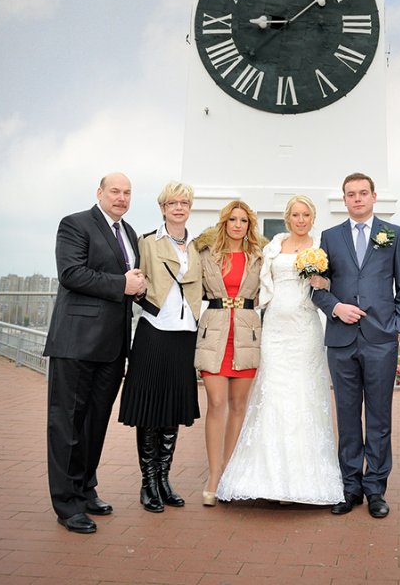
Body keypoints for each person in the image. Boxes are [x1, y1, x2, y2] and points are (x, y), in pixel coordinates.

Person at [217, 196, 344, 505]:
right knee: (273, 393)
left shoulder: (322, 247)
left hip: (305, 329)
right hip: (274, 329)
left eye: (306, 215)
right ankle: (267, 476)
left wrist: (323, 282)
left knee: (303, 394)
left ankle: (302, 479)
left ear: (312, 218)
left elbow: (334, 283)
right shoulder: (274, 246)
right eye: (295, 214)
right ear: (288, 218)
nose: (301, 220)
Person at [44, 173, 145, 534]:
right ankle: (66, 503)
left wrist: (138, 287)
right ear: (99, 193)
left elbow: (127, 281)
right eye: (115, 191)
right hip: (76, 343)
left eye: (127, 192)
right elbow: (71, 273)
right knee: (67, 424)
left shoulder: (129, 232)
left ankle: (86, 490)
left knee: (95, 424)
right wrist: (122, 284)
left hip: (113, 346)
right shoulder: (75, 224)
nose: (121, 198)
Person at [311, 173, 400, 519]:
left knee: (379, 417)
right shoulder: (330, 237)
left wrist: (398, 328)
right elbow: (317, 288)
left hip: (381, 339)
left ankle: (376, 489)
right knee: (348, 416)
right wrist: (335, 307)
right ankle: (350, 487)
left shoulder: (393, 234)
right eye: (351, 194)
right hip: (341, 340)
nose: (357, 199)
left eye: (363, 193)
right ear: (344, 199)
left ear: (373, 196)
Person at [118, 181, 203, 512]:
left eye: (184, 203)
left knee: (172, 409)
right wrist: (141, 291)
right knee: (150, 409)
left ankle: (164, 479)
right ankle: (148, 482)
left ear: (190, 208)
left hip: (185, 333)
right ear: (163, 208)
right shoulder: (147, 241)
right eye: (172, 203)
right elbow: (135, 278)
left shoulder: (198, 246)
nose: (178, 208)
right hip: (154, 330)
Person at [195, 200, 262, 506]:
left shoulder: (259, 256)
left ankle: (229, 474)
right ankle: (213, 475)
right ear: (224, 222)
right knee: (216, 403)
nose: (238, 225)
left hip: (246, 333)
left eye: (243, 220)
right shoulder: (206, 254)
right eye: (233, 219)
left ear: (249, 226)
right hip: (215, 332)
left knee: (238, 406)